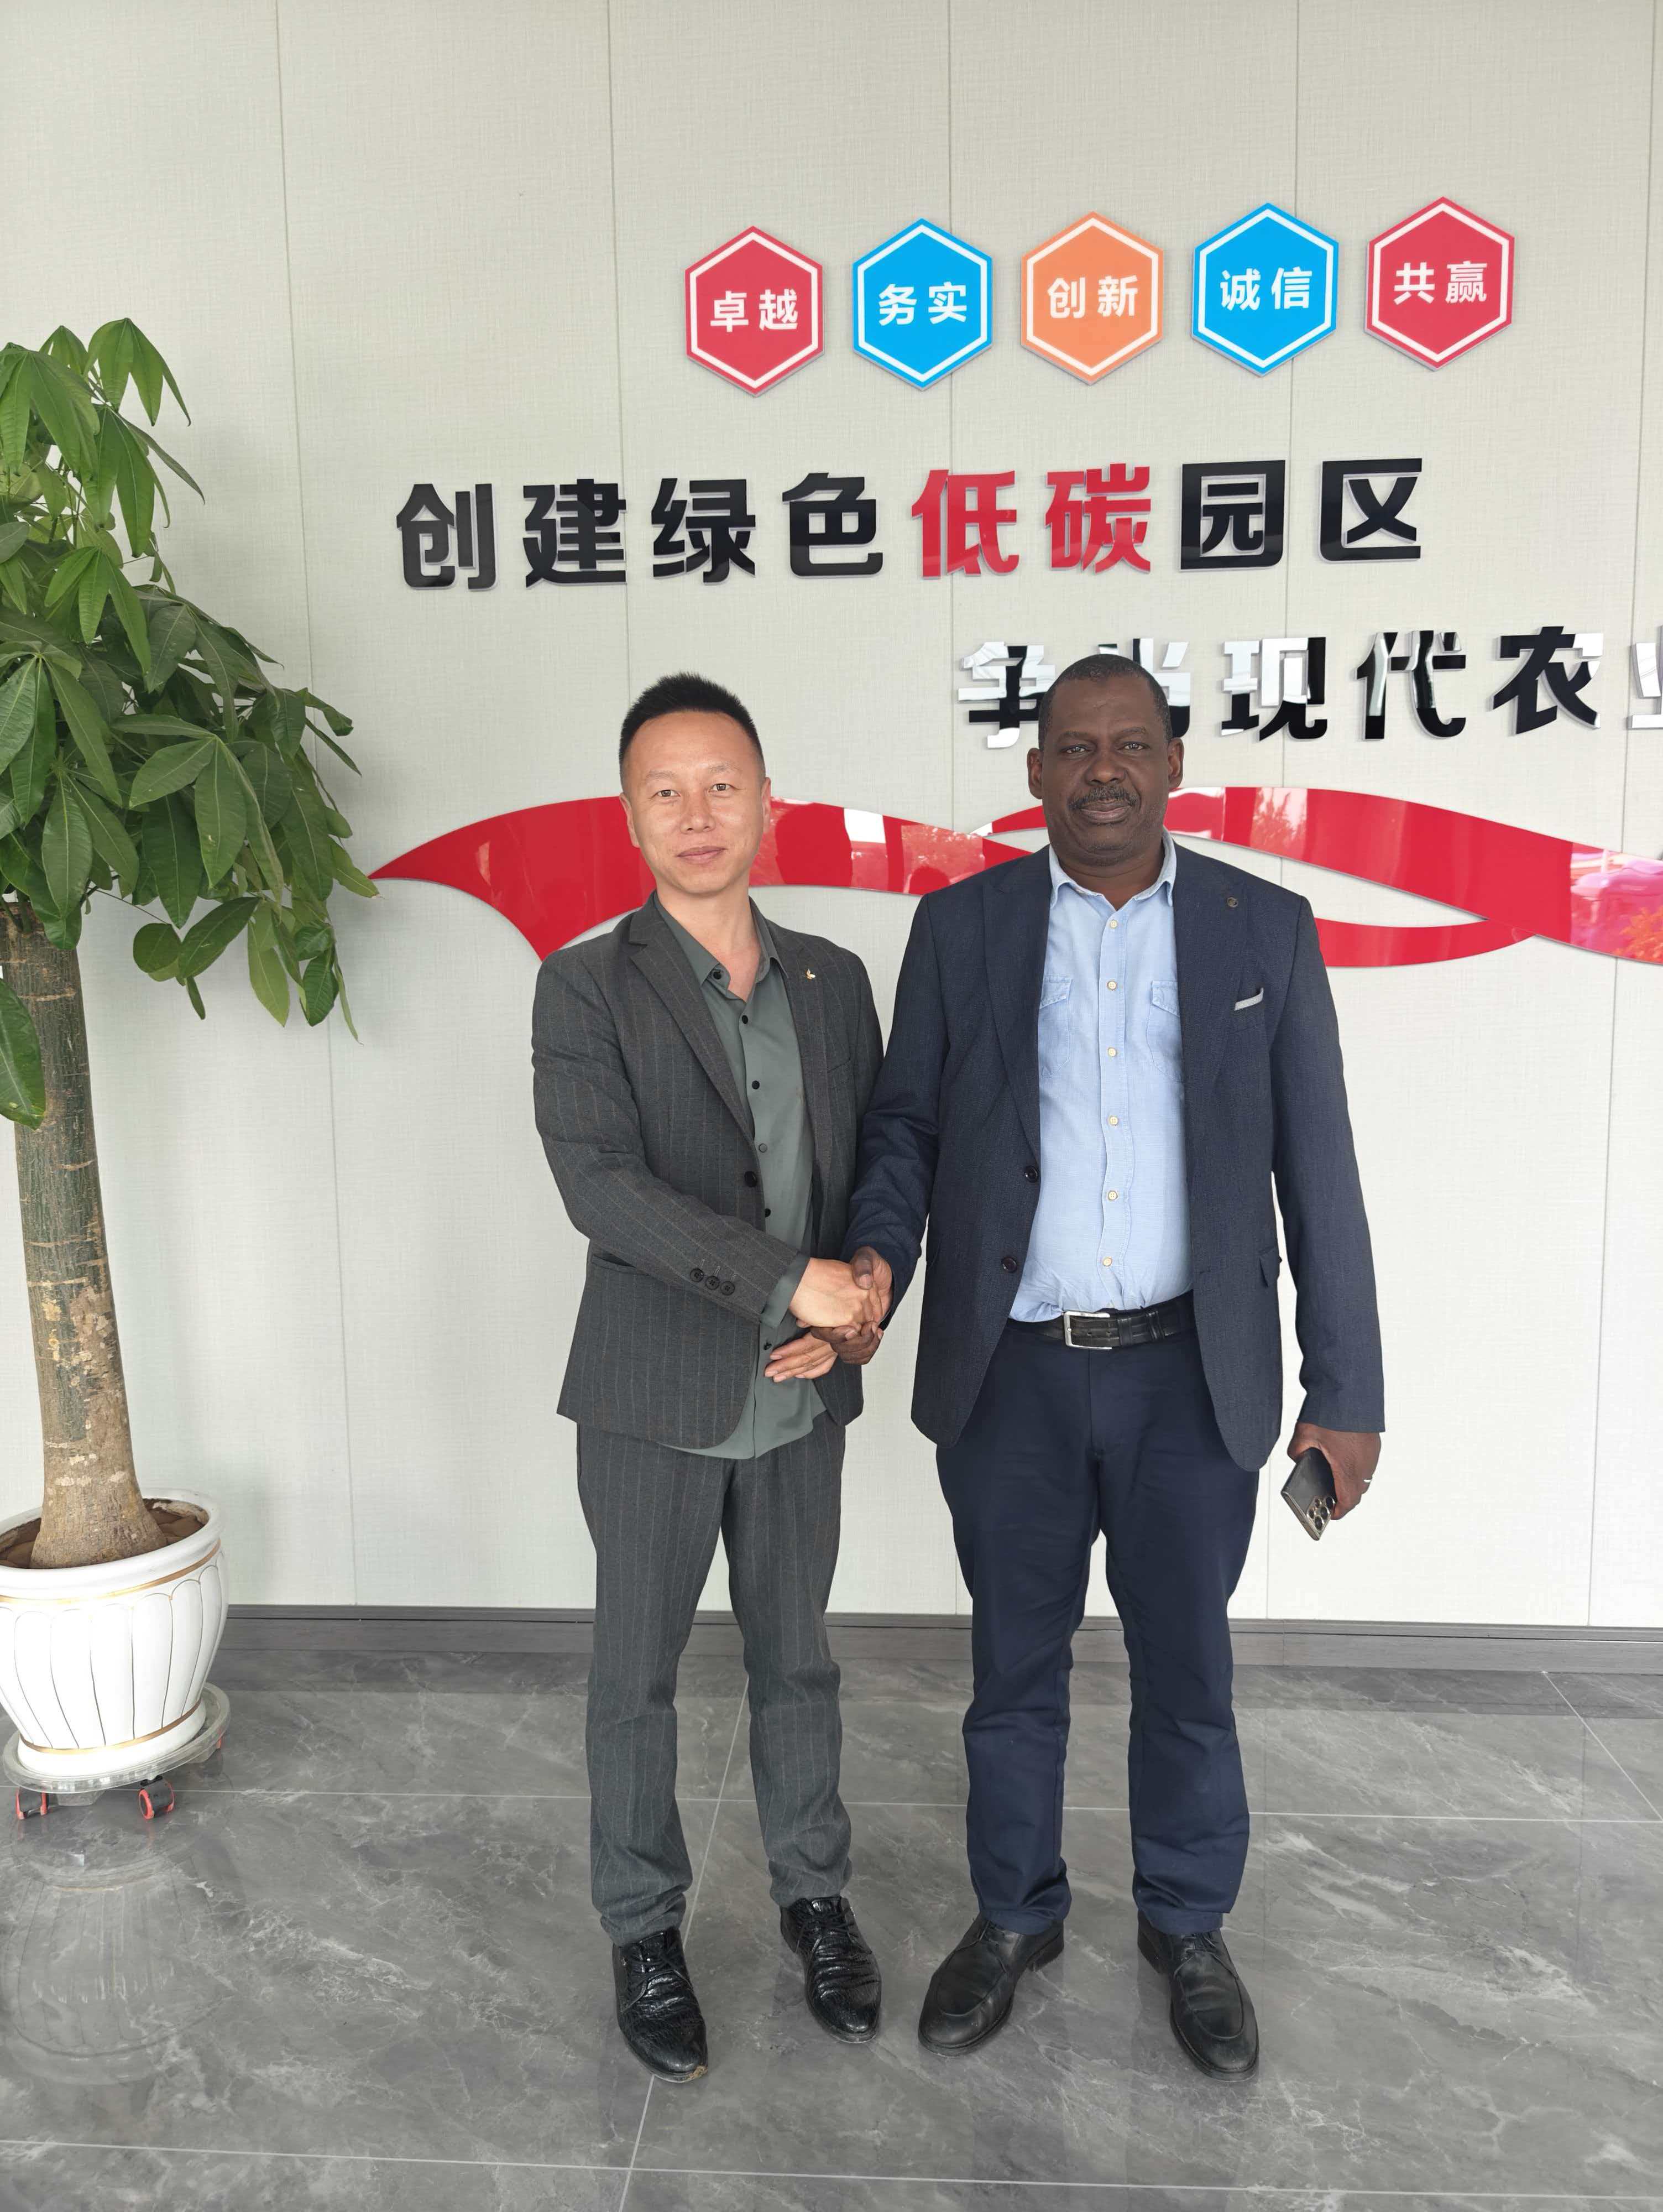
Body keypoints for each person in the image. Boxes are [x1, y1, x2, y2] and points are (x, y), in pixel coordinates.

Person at [830, 652, 1383, 2075]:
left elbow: (1318, 1168)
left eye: (1130, 743)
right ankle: (1014, 1912)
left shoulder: (1264, 930)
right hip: (1010, 1372)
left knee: (1187, 1668)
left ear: (1174, 762)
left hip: (1189, 1377)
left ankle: (1187, 1922)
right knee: (1010, 1668)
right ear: (1034, 774)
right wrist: (877, 1258)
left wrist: (1346, 1388)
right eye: (1073, 747)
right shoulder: (961, 927)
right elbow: (906, 1129)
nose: (1103, 770)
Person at [532, 672, 887, 2082]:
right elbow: (601, 1186)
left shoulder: (833, 980)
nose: (696, 812)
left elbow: (877, 1172)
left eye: (721, 784)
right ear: (629, 815)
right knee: (637, 1675)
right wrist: (787, 1279)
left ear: (766, 801)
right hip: (651, 1396)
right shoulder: (584, 982)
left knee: (798, 1658)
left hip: (803, 1392)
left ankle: (816, 1898)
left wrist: (863, 1300)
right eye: (665, 790)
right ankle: (642, 1926)